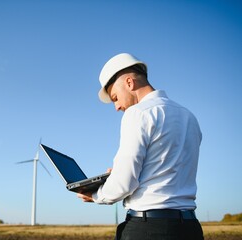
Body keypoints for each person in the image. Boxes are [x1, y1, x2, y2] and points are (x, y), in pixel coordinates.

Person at [77, 53, 204, 240]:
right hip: (190, 228)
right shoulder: (189, 117)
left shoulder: (138, 114)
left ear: (129, 83)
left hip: (150, 229)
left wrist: (97, 194)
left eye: (115, 98)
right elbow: (165, 168)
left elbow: (124, 183)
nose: (117, 107)